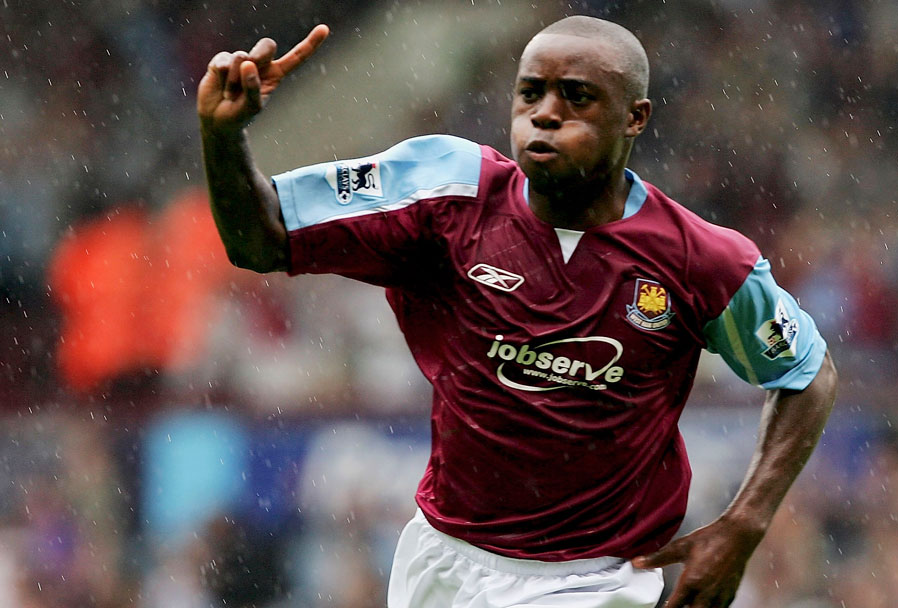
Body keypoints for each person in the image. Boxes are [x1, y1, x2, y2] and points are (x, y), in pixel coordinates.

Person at [198, 16, 837, 608]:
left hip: (590, 580)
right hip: (439, 561)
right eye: (531, 93)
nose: (546, 115)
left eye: (577, 97)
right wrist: (223, 137)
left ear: (635, 117)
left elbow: (808, 376)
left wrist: (743, 525)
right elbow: (262, 239)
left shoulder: (702, 259)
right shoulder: (445, 188)